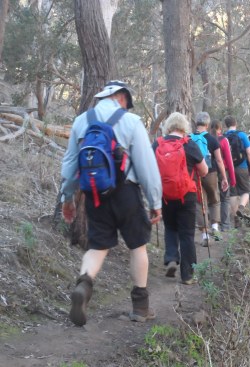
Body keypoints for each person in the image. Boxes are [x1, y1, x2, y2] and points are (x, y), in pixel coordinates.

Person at [60, 80, 162, 326]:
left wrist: (67, 198)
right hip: (126, 192)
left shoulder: (81, 121)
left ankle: (84, 286)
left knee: (97, 246)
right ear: (121, 97)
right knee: (137, 246)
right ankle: (140, 307)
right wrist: (155, 201)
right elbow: (147, 167)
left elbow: (71, 164)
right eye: (127, 100)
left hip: (94, 195)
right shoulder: (131, 122)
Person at [154, 112, 208, 284]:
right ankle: (188, 275)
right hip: (187, 195)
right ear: (184, 127)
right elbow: (204, 171)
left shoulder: (157, 144)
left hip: (165, 195)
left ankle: (171, 257)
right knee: (186, 234)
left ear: (168, 126)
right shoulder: (189, 145)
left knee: (170, 227)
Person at [192, 112, 229, 245]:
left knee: (199, 203)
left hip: (195, 175)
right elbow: (219, 160)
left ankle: (205, 235)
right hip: (211, 173)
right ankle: (215, 228)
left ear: (196, 123)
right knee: (214, 200)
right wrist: (224, 178)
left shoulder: (189, 138)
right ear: (207, 125)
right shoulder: (213, 139)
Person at [224, 115, 250, 226]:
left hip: (229, 169)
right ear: (235, 123)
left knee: (233, 193)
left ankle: (235, 219)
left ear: (226, 125)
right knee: (246, 191)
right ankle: (241, 208)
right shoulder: (242, 135)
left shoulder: (223, 136)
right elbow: (248, 153)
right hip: (242, 166)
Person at [210, 119, 236, 231]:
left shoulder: (207, 139)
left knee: (212, 199)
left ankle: (213, 225)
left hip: (209, 172)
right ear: (220, 128)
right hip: (222, 171)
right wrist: (232, 178)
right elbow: (229, 161)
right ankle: (225, 225)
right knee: (224, 198)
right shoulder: (223, 140)